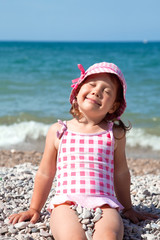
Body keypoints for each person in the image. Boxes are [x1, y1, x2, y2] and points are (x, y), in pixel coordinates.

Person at [9, 62, 157, 240]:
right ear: (77, 91)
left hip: (105, 202)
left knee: (110, 235)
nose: (97, 91)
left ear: (113, 106)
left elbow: (121, 173)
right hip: (65, 201)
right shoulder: (58, 130)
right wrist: (34, 209)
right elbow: (46, 173)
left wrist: (127, 208)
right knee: (71, 236)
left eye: (107, 91)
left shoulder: (114, 134)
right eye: (92, 85)